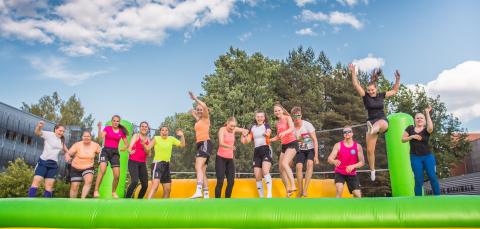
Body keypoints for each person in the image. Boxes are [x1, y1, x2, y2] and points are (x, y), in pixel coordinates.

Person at [349, 63, 400, 181]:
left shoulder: (381, 95)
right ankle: (372, 170)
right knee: (370, 151)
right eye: (369, 90)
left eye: (372, 90)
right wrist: (353, 72)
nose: (371, 92)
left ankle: (373, 129)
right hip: (370, 121)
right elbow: (355, 84)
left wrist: (397, 79)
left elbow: (394, 91)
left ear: (376, 89)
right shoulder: (365, 96)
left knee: (380, 124)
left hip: (382, 121)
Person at [402, 105, 440, 196]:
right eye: (417, 118)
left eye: (421, 118)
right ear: (414, 120)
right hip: (415, 157)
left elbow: (431, 128)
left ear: (424, 120)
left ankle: (438, 198)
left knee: (432, 177)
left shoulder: (426, 130)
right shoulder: (410, 128)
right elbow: (403, 139)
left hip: (428, 156)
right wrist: (412, 136)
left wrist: (427, 112)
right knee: (418, 180)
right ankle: (418, 201)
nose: (419, 119)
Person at [28, 121, 68, 198]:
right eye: (60, 130)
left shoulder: (62, 140)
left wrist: (68, 154)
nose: (61, 132)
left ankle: (47, 205)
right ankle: (30, 201)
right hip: (43, 162)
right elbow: (37, 132)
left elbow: (66, 149)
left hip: (53, 165)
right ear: (55, 129)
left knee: (49, 187)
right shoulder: (49, 135)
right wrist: (39, 126)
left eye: (63, 131)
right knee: (37, 181)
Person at [93, 115, 129, 199]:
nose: (116, 122)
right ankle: (96, 190)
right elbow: (100, 138)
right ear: (112, 121)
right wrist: (99, 128)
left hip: (115, 153)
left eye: (117, 121)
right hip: (105, 151)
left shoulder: (121, 131)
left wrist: (124, 147)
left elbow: (127, 143)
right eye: (114, 121)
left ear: (119, 122)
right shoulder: (107, 128)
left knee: (117, 175)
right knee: (102, 170)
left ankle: (113, 192)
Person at [145, 127, 185, 199]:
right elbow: (148, 148)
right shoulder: (156, 138)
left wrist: (182, 136)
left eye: (166, 130)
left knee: (167, 189)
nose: (164, 132)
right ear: (160, 132)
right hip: (157, 164)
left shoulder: (171, 139)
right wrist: (143, 144)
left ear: (168, 132)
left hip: (166, 165)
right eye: (162, 130)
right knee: (155, 186)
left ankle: (164, 208)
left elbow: (182, 145)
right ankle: (147, 205)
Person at [241, 111, 273, 198]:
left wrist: (267, 134)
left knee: (265, 170)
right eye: (258, 117)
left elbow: (268, 132)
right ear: (256, 118)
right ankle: (261, 197)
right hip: (257, 151)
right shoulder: (253, 127)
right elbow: (246, 141)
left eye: (261, 117)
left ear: (264, 118)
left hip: (266, 149)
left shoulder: (266, 125)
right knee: (257, 175)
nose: (259, 118)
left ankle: (269, 194)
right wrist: (243, 135)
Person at [215, 117, 248, 198]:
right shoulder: (222, 129)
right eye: (231, 126)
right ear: (227, 123)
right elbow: (221, 143)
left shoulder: (234, 129)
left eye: (234, 126)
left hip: (230, 160)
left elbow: (245, 130)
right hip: (220, 158)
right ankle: (217, 201)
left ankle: (227, 200)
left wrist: (244, 133)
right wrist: (230, 146)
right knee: (220, 181)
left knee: (231, 182)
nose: (232, 128)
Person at [327, 126, 365, 198]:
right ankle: (337, 208)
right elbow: (329, 159)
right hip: (340, 172)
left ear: (352, 133)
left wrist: (353, 166)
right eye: (345, 132)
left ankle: (356, 208)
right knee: (339, 189)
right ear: (343, 134)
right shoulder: (338, 145)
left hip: (352, 173)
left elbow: (362, 162)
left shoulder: (357, 146)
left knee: (357, 195)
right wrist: (334, 161)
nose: (347, 133)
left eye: (349, 131)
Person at [291, 106, 319, 198]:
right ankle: (300, 190)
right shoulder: (292, 127)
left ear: (301, 115)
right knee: (298, 166)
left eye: (298, 115)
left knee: (310, 164)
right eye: (295, 116)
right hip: (300, 150)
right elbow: (291, 143)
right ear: (292, 117)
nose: (297, 118)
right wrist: (290, 158)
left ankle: (305, 190)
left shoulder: (307, 125)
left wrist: (316, 156)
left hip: (310, 149)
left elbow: (315, 140)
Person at [189, 91, 212, 199]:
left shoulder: (206, 117)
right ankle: (206, 194)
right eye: (198, 109)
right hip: (200, 144)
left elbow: (204, 105)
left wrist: (195, 98)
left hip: (205, 143)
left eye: (200, 109)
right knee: (202, 170)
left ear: (204, 111)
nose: (199, 110)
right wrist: (193, 112)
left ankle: (198, 190)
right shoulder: (199, 120)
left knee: (197, 166)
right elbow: (196, 116)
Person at [270, 103, 298, 197]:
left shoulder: (287, 118)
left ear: (282, 110)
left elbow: (292, 128)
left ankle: (293, 184)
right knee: (281, 169)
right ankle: (288, 191)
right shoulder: (277, 123)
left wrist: (285, 132)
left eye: (278, 110)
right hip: (284, 146)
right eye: (275, 111)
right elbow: (278, 136)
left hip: (292, 143)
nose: (277, 112)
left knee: (285, 163)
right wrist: (269, 140)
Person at [65, 131, 101, 198]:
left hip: (88, 166)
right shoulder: (77, 145)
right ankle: (73, 203)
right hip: (76, 167)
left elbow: (102, 152)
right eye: (85, 136)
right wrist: (67, 156)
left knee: (89, 181)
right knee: (74, 187)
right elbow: (69, 153)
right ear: (82, 137)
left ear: (91, 137)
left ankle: (82, 199)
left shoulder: (95, 145)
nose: (86, 138)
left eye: (88, 136)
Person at [125, 121, 150, 199]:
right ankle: (126, 199)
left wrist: (144, 145)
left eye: (146, 126)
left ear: (148, 128)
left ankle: (139, 201)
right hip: (133, 162)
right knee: (135, 181)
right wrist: (130, 151)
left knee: (145, 185)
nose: (144, 128)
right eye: (142, 126)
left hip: (142, 163)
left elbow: (149, 154)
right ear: (140, 128)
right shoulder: (136, 136)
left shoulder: (149, 139)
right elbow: (129, 147)